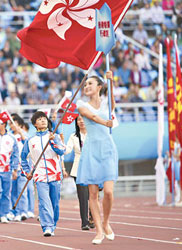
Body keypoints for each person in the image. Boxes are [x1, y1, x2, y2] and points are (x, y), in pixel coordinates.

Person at [76, 71, 117, 244]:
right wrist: (105, 123)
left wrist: (111, 82)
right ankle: (99, 231)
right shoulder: (81, 103)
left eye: (90, 84)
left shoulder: (107, 104)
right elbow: (91, 116)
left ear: (99, 87)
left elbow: (112, 104)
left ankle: (106, 223)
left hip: (107, 149)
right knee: (93, 194)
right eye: (85, 85)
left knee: (108, 192)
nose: (86, 87)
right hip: (91, 150)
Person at [21, 111, 66, 237]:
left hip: (55, 174)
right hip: (40, 175)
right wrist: (26, 172)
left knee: (54, 202)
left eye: (44, 119)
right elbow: (23, 158)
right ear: (35, 124)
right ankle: (47, 226)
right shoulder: (30, 141)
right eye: (39, 119)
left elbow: (62, 151)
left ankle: (53, 224)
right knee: (44, 201)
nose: (43, 121)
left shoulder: (54, 136)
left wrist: (53, 142)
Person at [65, 115, 94, 230]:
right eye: (79, 120)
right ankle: (84, 222)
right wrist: (61, 144)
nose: (81, 122)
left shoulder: (94, 134)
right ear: (76, 123)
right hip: (79, 169)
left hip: (93, 168)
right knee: (83, 197)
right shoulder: (73, 136)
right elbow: (67, 150)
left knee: (93, 196)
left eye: (83, 119)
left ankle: (93, 218)